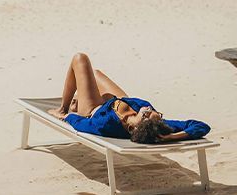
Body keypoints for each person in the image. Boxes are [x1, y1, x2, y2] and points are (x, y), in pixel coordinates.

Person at [47, 53, 210, 144]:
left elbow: (83, 124)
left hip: (94, 110)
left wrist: (66, 116)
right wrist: (171, 136)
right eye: (155, 113)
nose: (147, 109)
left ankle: (66, 105)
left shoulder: (106, 124)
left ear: (133, 129)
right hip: (121, 101)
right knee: (96, 74)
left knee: (80, 59)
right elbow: (200, 126)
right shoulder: (157, 126)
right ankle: (80, 98)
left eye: (145, 115)